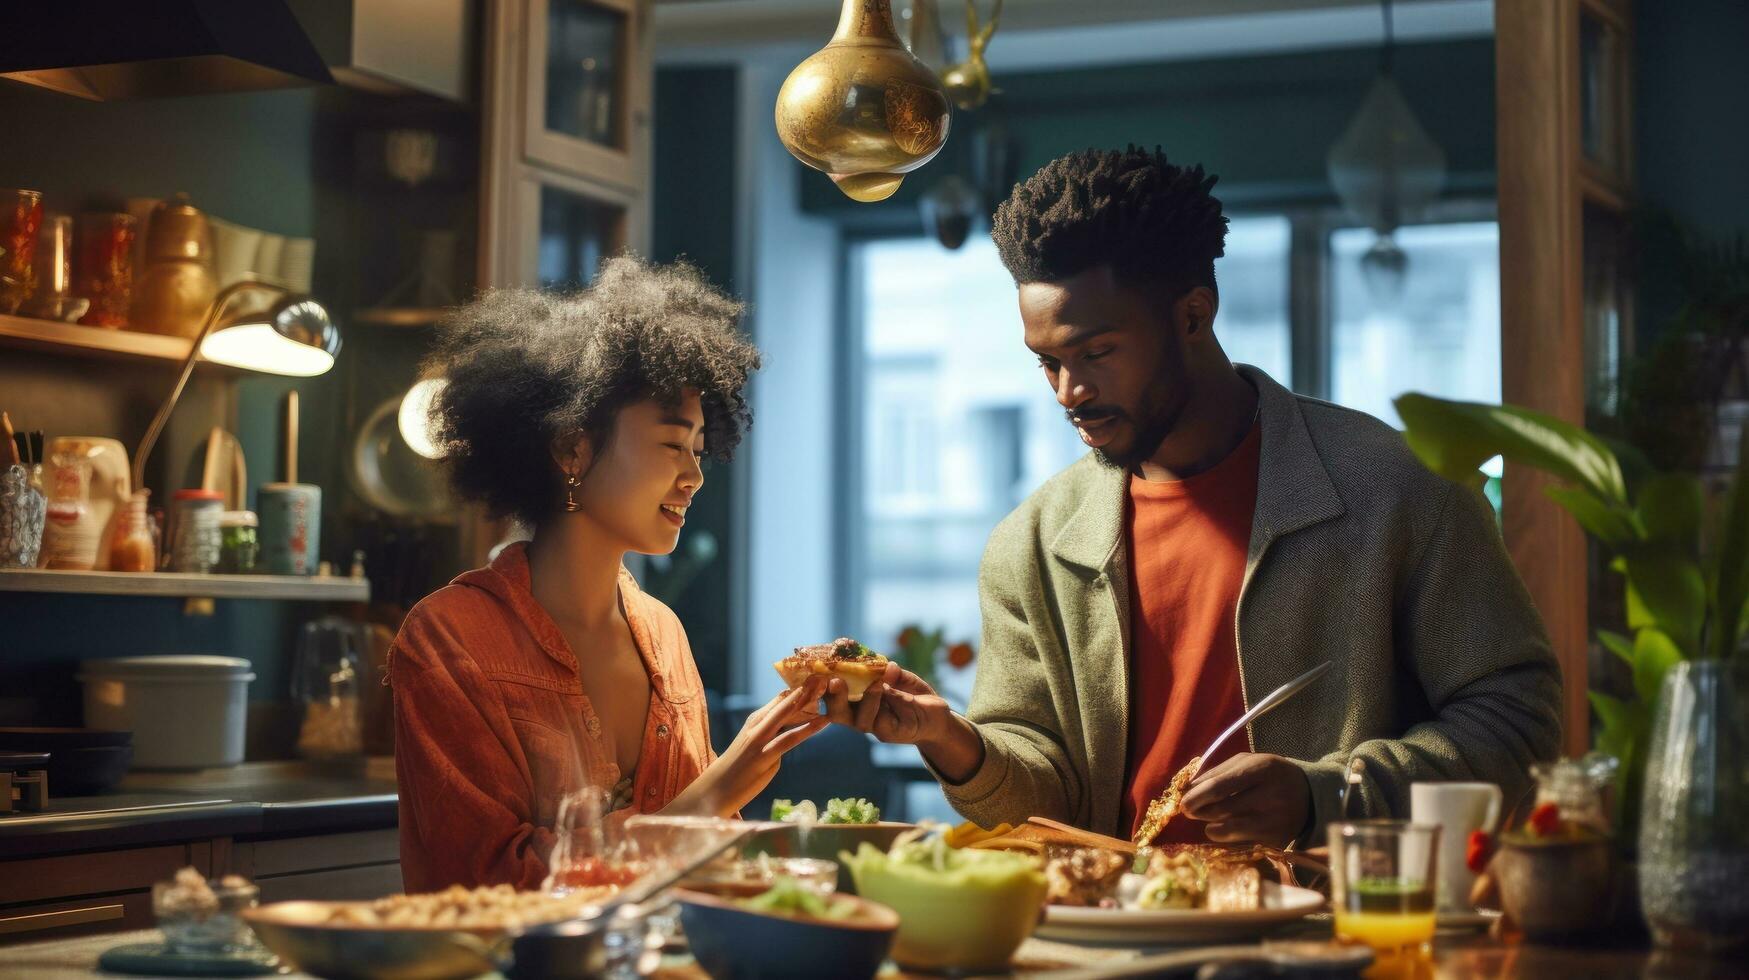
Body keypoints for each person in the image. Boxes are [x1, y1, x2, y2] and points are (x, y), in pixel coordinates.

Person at [824, 146, 1563, 847]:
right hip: (1107, 939)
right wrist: (949, 740)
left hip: (1327, 937)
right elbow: (1042, 800)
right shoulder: (1033, 542)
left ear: (1192, 313)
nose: (1069, 392)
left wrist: (1323, 797)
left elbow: (1515, 720)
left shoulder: (1399, 490)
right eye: (1046, 362)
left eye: (1097, 353)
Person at [390, 258, 827, 891]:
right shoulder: (449, 640)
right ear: (572, 446)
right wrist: (714, 794)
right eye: (673, 445)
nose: (694, 476)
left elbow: (705, 874)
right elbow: (482, 881)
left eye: (701, 450)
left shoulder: (665, 635)